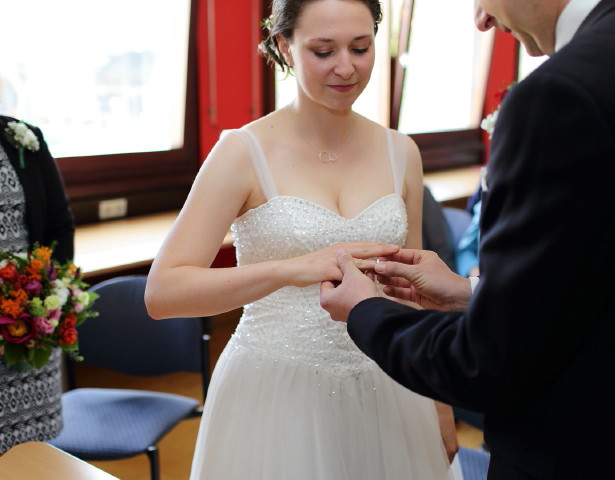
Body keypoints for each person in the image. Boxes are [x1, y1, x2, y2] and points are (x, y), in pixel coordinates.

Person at [320, 0, 615, 477]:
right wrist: (474, 293)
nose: (481, 19)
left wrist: (366, 312)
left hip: (596, 455)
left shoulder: (565, 93)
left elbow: (488, 364)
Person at [144, 0, 459, 478]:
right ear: (283, 47)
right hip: (273, 388)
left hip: (390, 379)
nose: (346, 67)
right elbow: (163, 293)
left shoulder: (402, 151)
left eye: (360, 47)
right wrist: (292, 268)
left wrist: (439, 401)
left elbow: (412, 295)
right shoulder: (241, 152)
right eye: (323, 51)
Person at [0, 2, 74, 478]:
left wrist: (39, 308)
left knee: (34, 464)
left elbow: (58, 228)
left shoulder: (24, 137)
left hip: (29, 341)